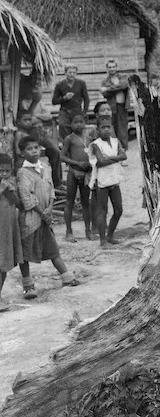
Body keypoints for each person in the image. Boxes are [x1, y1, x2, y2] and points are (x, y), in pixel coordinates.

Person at [16, 135, 80, 295]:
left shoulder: (45, 167)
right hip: (30, 219)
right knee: (25, 252)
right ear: (22, 153)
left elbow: (51, 190)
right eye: (29, 149)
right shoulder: (23, 173)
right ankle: (28, 286)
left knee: (52, 249)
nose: (34, 152)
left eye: (36, 148)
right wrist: (41, 212)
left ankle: (66, 276)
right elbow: (26, 196)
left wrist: (50, 208)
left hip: (46, 216)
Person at [91, 118, 127, 246]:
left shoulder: (115, 141)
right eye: (103, 127)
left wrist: (111, 158)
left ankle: (110, 236)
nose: (106, 130)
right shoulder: (96, 144)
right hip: (102, 180)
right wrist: (117, 158)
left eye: (108, 127)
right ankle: (102, 239)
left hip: (114, 178)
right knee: (102, 210)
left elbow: (124, 156)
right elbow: (100, 161)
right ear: (98, 130)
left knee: (118, 209)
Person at [60, 114, 92, 241]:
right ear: (71, 124)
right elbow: (62, 156)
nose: (78, 124)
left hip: (86, 174)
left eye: (81, 122)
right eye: (75, 122)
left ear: (85, 123)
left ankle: (88, 231)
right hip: (73, 172)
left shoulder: (89, 138)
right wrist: (77, 163)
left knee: (86, 202)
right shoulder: (69, 139)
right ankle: (69, 232)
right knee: (70, 201)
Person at [13, 110, 62, 190]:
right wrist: (25, 154)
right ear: (18, 122)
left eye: (29, 120)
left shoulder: (29, 133)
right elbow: (17, 149)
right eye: (25, 120)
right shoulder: (19, 133)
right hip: (22, 162)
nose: (28, 122)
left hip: (29, 161)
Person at [0, 154, 23, 311]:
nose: (3, 174)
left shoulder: (11, 183)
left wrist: (10, 190)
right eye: (0, 171)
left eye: (6, 171)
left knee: (5, 264)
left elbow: (18, 203)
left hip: (7, 230)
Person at [52, 65, 90, 140]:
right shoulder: (60, 85)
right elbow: (54, 101)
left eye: (74, 72)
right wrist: (64, 98)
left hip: (77, 111)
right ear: (65, 73)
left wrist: (84, 112)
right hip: (65, 111)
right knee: (63, 126)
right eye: (70, 72)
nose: (72, 74)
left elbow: (86, 99)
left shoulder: (81, 83)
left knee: (78, 129)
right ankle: (66, 146)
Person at [100, 59, 129, 150]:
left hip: (122, 105)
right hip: (111, 106)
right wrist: (116, 88)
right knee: (113, 126)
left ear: (116, 67)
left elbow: (124, 85)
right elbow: (104, 94)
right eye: (110, 67)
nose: (112, 69)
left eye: (113, 67)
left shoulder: (123, 77)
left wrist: (108, 89)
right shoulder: (105, 81)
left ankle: (123, 146)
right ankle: (114, 146)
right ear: (107, 68)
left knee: (122, 126)